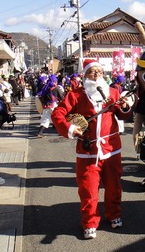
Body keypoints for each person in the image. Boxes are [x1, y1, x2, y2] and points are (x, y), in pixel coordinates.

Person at [51, 59, 133, 239]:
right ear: (84, 75)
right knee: (88, 190)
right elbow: (58, 114)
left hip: (111, 149)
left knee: (114, 187)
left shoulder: (113, 92)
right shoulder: (76, 95)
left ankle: (114, 214)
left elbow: (122, 113)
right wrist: (71, 129)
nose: (96, 74)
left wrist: (126, 107)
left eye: (99, 71)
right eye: (91, 71)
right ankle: (89, 221)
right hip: (88, 151)